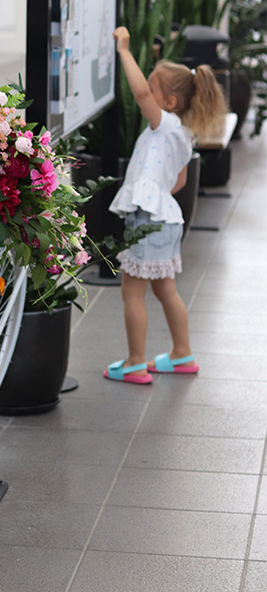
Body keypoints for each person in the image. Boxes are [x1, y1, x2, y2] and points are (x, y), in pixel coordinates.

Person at [104, 26, 226, 384]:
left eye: (154, 89)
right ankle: (181, 353)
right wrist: (155, 190)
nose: (147, 93)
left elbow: (140, 93)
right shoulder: (183, 133)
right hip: (168, 218)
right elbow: (180, 181)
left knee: (132, 291)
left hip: (149, 218)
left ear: (170, 102)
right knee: (165, 289)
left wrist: (124, 51)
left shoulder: (164, 124)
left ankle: (135, 362)